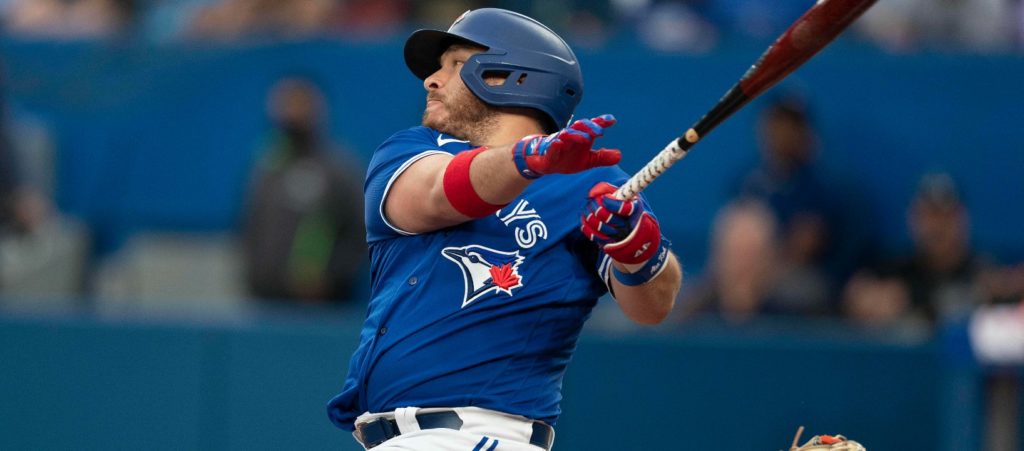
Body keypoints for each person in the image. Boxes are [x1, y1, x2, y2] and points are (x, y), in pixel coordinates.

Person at [326, 8, 682, 450]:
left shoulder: (591, 184)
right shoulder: (413, 149)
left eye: (454, 65)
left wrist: (637, 249)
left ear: (509, 77)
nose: (431, 80)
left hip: (484, 434)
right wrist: (528, 158)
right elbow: (436, 194)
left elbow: (653, 308)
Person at [242, 76, 365, 304]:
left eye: (299, 103)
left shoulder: (338, 169)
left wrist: (331, 278)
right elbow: (252, 226)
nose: (292, 112)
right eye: (285, 103)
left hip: (318, 308)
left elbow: (360, 233)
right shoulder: (266, 166)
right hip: (264, 301)